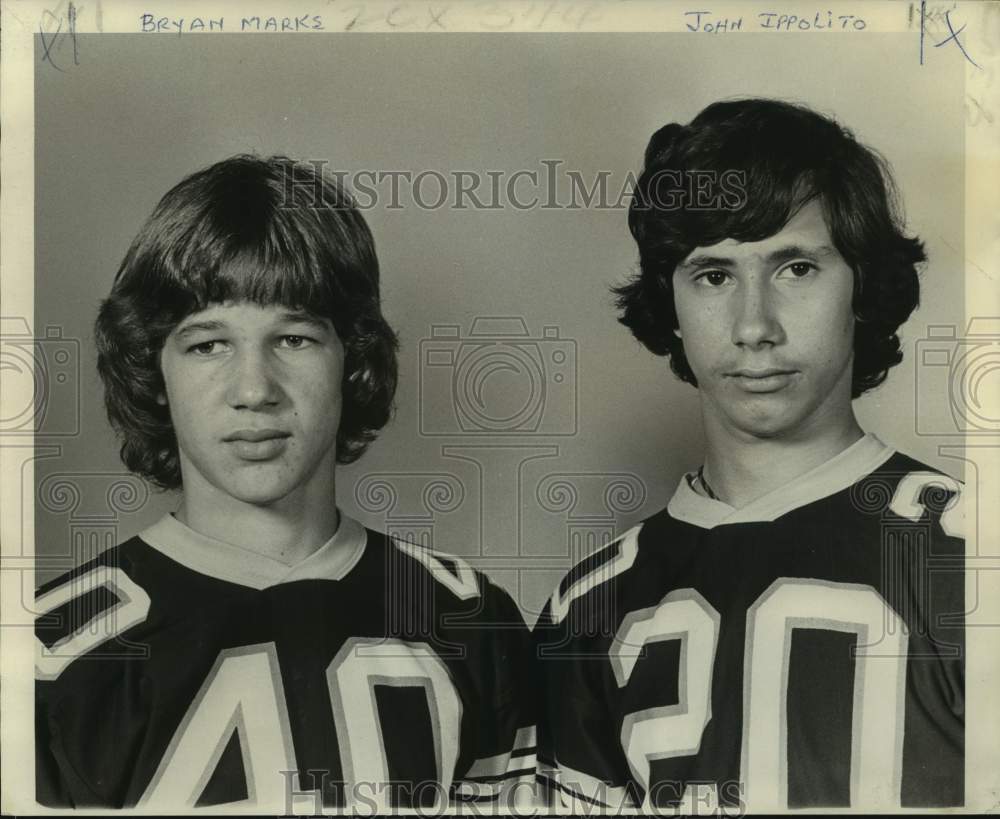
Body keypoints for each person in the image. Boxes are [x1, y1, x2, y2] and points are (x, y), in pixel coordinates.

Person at [34, 155, 535, 811]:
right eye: (208, 344)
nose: (254, 390)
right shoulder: (51, 653)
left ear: (353, 356)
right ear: (153, 371)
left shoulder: (469, 622)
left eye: (294, 338)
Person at [534, 99, 964, 812]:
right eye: (713, 275)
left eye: (795, 268)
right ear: (668, 303)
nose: (754, 325)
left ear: (862, 286)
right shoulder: (588, 609)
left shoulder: (969, 550)